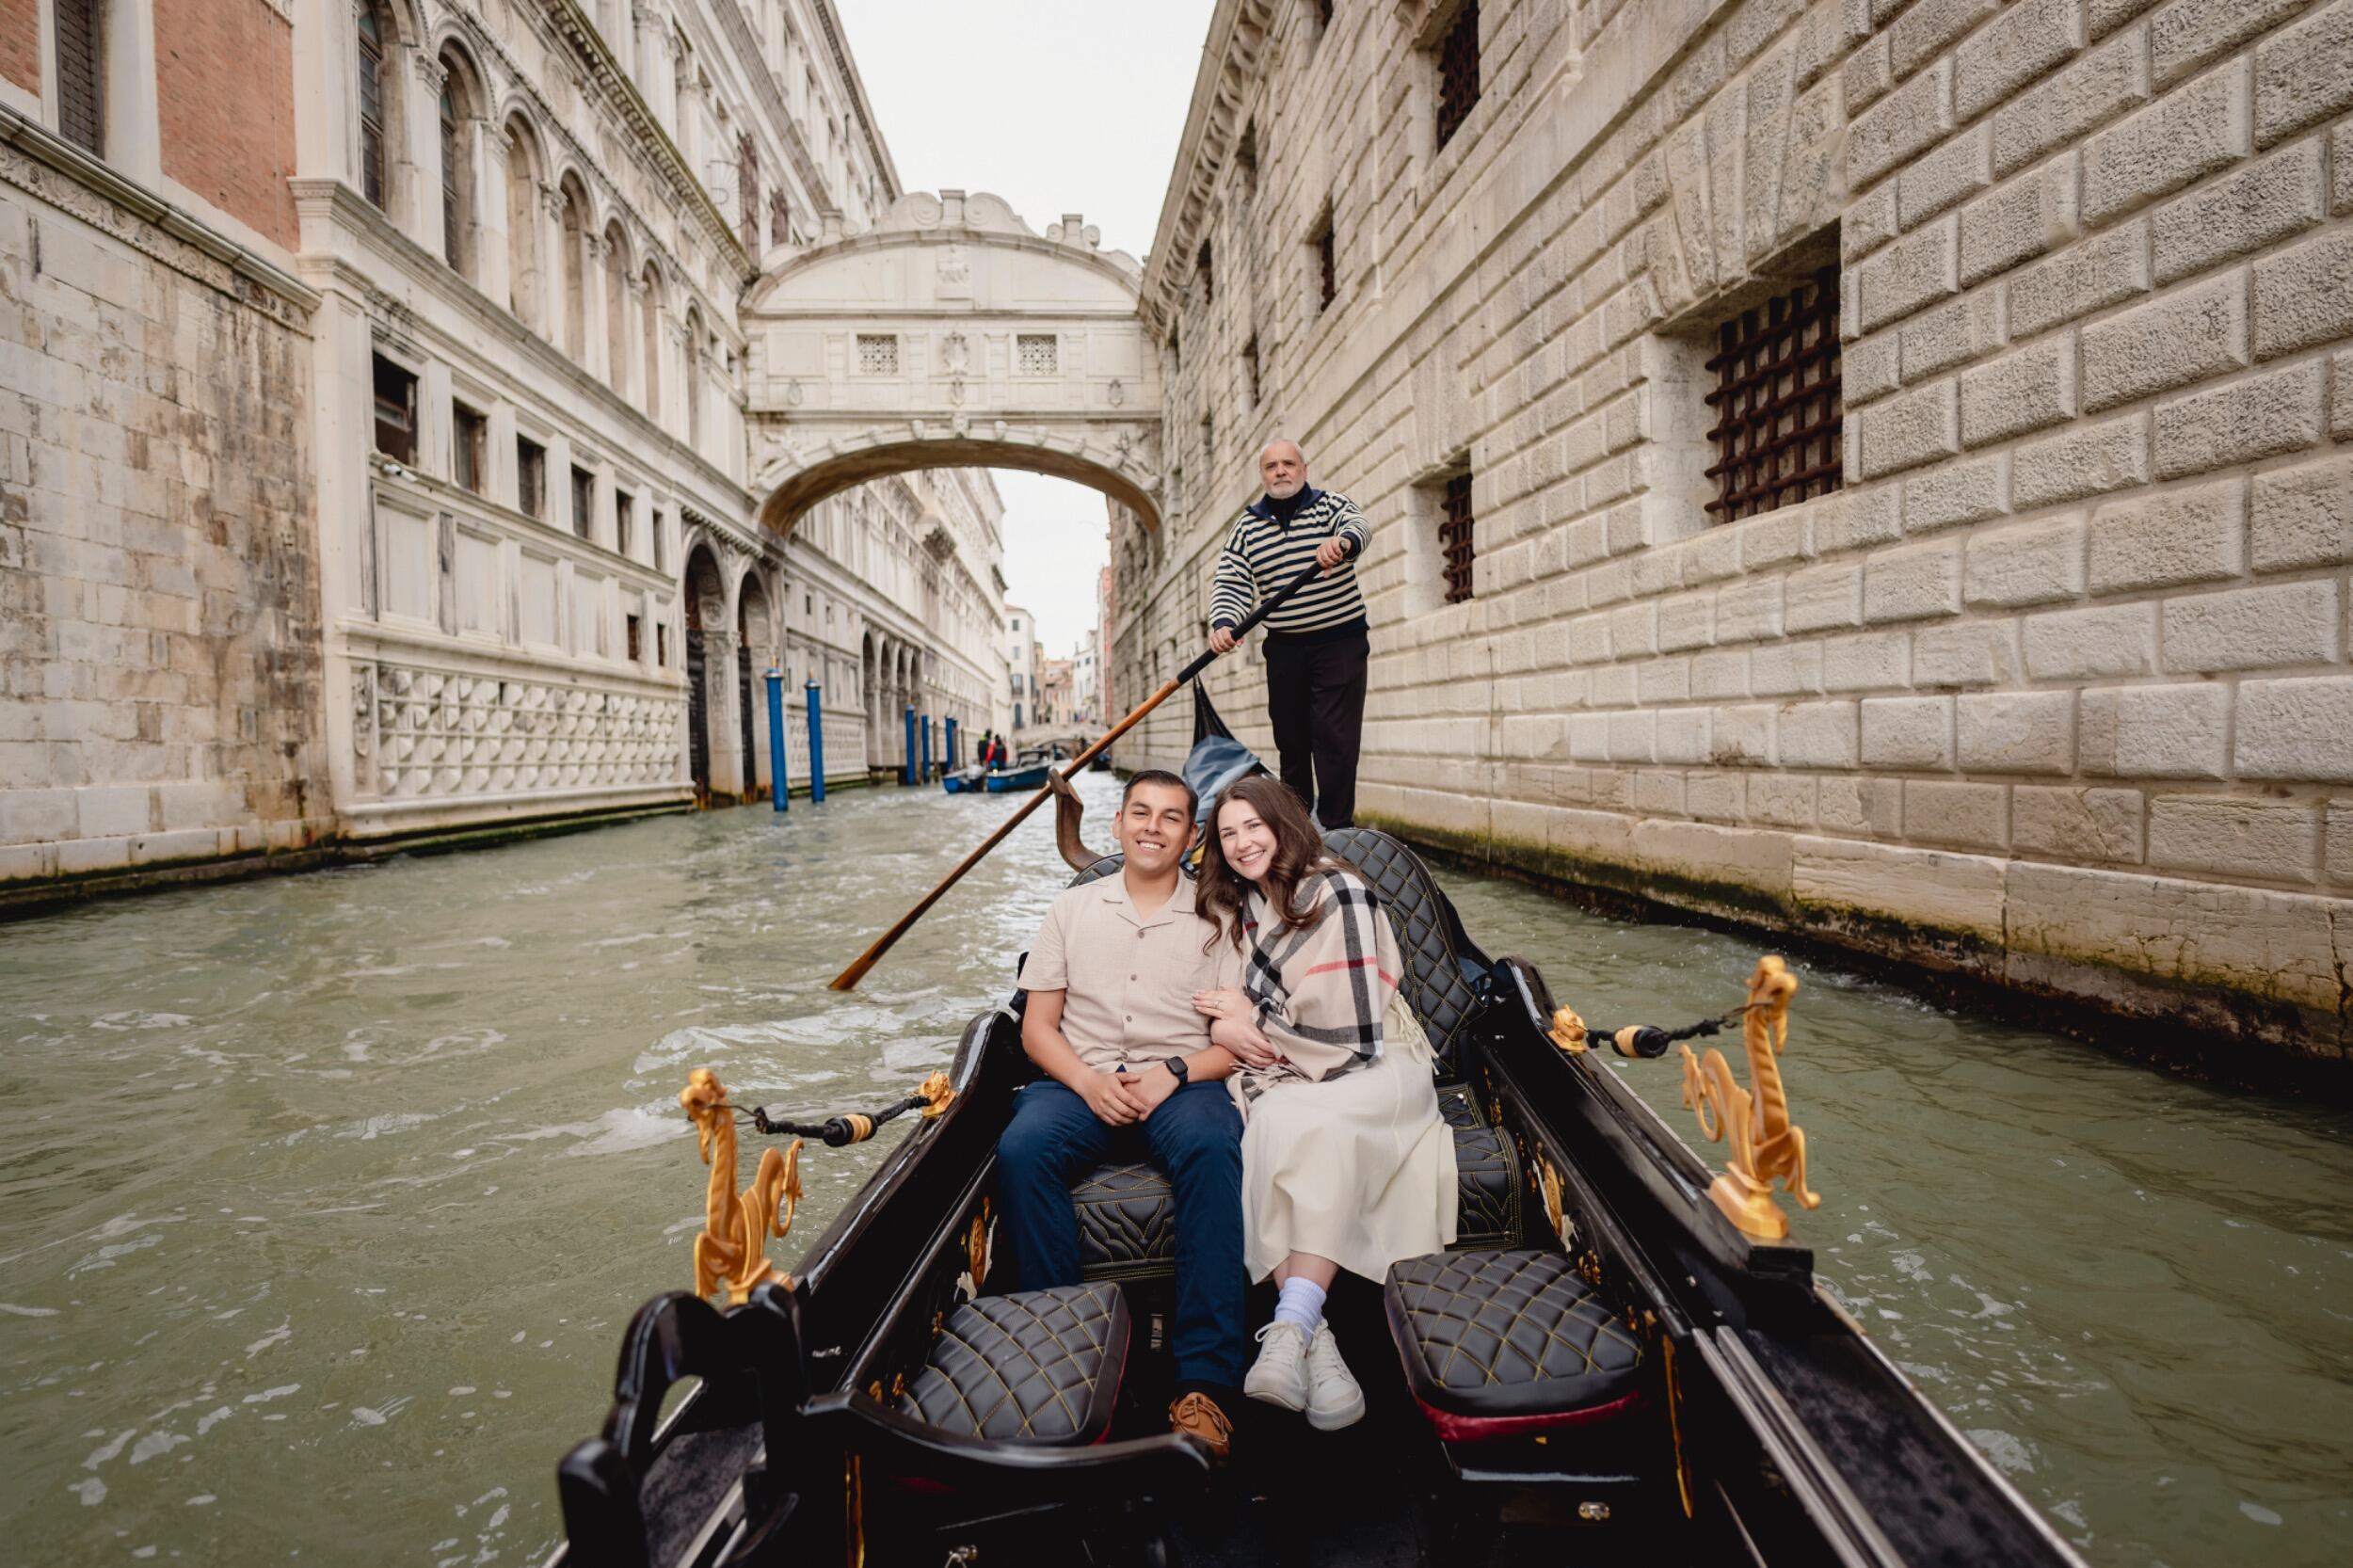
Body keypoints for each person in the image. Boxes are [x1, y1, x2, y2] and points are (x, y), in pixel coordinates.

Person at [1190, 776, 1456, 1431]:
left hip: (1378, 1061)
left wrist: (1247, 1018)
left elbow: (1349, 1037)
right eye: (1228, 833)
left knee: (1309, 1125)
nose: (1242, 843)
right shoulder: (1241, 906)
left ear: (1283, 825)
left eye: (1254, 826)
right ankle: (1310, 1337)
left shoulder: (1337, 891)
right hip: (1288, 1066)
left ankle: (1292, 1329)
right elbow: (1224, 1004)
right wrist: (1226, 1026)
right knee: (1269, 1121)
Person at [993, 770, 1246, 1456]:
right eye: (1140, 813)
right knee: (1021, 1152)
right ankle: (1061, 1358)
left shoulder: (1220, 918)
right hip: (1079, 1083)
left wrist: (1172, 1073)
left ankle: (1205, 1386)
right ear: (1118, 824)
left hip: (1182, 1084)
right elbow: (1037, 1029)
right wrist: (1087, 1080)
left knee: (1215, 1149)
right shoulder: (1070, 909)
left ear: (1192, 837)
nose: (1152, 828)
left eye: (1170, 818)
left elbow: (1234, 1045)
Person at [1206, 440, 1371, 829]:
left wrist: (1342, 543)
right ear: (1263, 476)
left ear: (1303, 469)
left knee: (1335, 740)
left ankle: (1336, 827)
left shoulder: (1331, 506)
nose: (1280, 471)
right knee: (1291, 742)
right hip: (1285, 648)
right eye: (1271, 466)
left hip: (1340, 641)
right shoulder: (1247, 527)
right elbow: (1231, 581)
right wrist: (1224, 623)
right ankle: (1297, 827)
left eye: (1288, 464)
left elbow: (1359, 526)